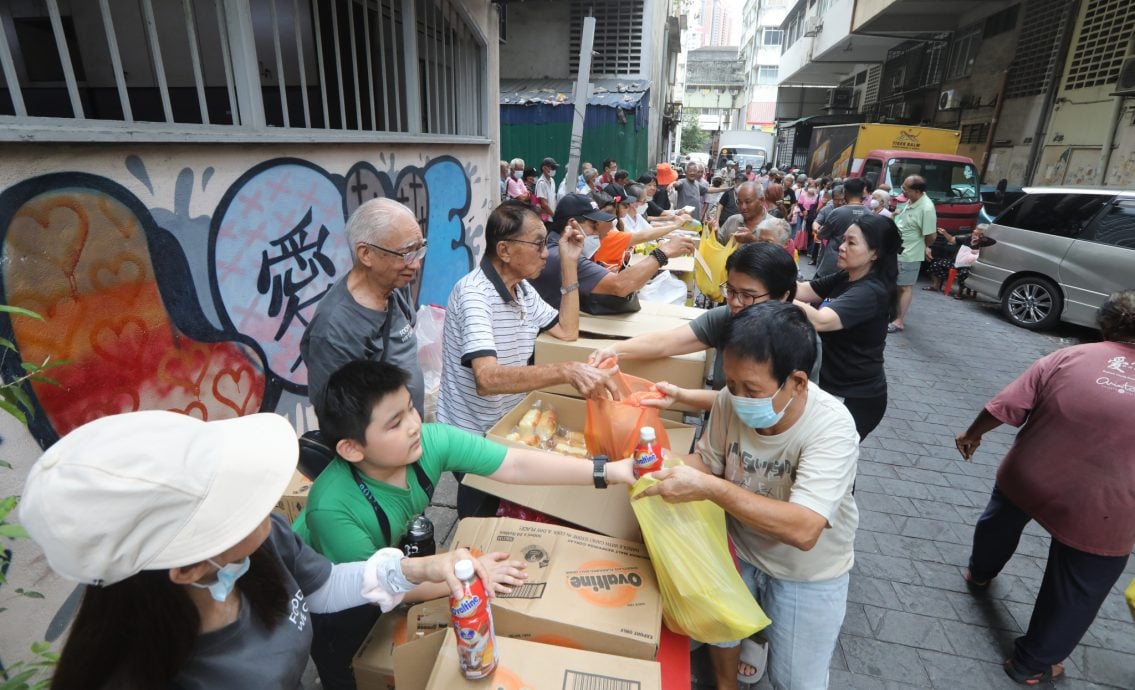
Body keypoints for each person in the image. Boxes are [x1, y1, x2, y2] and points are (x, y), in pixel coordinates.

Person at [21, 410, 497, 690]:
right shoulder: (163, 672)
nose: (267, 509)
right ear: (187, 570)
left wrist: (418, 569)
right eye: (238, 509)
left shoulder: (258, 545)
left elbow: (324, 585)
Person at [300, 360, 638, 688]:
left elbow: (514, 464)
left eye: (411, 409)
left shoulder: (430, 443)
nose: (414, 424)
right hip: (334, 595)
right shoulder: (332, 510)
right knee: (349, 669)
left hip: (387, 561)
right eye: (394, 423)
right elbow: (382, 586)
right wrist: (471, 577)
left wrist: (607, 471)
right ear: (352, 449)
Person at [636, 303, 859, 690]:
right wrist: (648, 465)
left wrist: (711, 488)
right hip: (739, 550)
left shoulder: (832, 429)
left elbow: (804, 529)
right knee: (723, 633)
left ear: (798, 382)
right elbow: (708, 462)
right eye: (732, 384)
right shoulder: (729, 401)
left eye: (752, 390)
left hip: (805, 574)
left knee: (796, 680)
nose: (738, 398)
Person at [953, 290, 1135, 686]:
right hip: (1104, 507)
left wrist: (971, 434)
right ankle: (1031, 663)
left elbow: (1005, 406)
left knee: (1000, 520)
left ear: (1105, 324)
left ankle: (980, 573)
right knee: (1080, 583)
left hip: (1030, 475)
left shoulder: (1067, 358)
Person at [437, 202, 614, 510]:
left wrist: (570, 263)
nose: (546, 253)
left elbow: (567, 330)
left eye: (546, 244)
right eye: (537, 244)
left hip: (506, 427)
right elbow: (487, 379)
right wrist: (566, 371)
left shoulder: (523, 290)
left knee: (506, 506)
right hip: (472, 435)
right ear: (504, 251)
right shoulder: (475, 295)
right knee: (480, 509)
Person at [588, 243, 820, 407]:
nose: (735, 302)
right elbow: (666, 342)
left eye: (748, 295)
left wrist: (682, 396)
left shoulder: (799, 340)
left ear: (782, 296)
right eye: (730, 290)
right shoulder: (726, 317)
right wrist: (613, 351)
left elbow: (751, 407)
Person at [301, 198, 425, 420]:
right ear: (366, 254)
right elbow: (337, 416)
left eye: (419, 250)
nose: (415, 264)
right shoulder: (334, 328)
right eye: (406, 253)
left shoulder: (396, 286)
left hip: (411, 436)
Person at [794, 213, 902, 440]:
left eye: (851, 243)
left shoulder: (871, 291)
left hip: (852, 397)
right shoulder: (847, 276)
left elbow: (821, 320)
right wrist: (764, 275)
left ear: (875, 253)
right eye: (843, 240)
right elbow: (804, 291)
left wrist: (770, 293)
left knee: (829, 463)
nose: (841, 247)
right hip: (829, 387)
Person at [529, 193, 695, 314]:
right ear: (571, 223)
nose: (598, 234)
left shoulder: (553, 244)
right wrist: (663, 252)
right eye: (594, 226)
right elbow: (620, 286)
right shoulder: (564, 257)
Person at [889, 175, 937, 333]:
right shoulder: (912, 201)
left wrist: (925, 246)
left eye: (906, 189)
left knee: (905, 287)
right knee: (896, 285)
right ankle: (893, 314)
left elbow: (931, 236)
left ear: (917, 191)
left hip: (910, 254)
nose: (903, 191)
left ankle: (898, 321)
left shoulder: (926, 208)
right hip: (898, 250)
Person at [816, 177, 870, 276]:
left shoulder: (837, 212)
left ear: (845, 192)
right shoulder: (869, 213)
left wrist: (818, 231)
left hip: (834, 261)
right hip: (857, 262)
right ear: (863, 192)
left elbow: (821, 235)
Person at [714, 181, 765, 245]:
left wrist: (753, 240)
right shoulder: (732, 220)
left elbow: (776, 254)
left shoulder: (775, 226)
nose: (743, 207)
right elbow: (718, 244)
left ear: (761, 201)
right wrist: (714, 232)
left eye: (748, 202)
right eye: (739, 202)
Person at [534, 157, 559, 222]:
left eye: (554, 168)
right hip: (545, 219)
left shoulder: (552, 181)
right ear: (544, 168)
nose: (554, 170)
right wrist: (554, 215)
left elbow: (554, 198)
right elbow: (544, 204)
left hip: (552, 218)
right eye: (552, 168)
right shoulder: (541, 183)